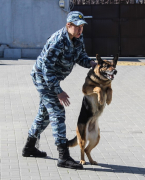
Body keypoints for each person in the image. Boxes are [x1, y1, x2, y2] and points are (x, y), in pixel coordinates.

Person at [22, 11, 96, 170]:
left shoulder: (77, 38)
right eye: (77, 26)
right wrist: (58, 91)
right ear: (68, 25)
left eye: (82, 27)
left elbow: (80, 56)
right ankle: (63, 156)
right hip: (43, 78)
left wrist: (91, 64)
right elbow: (46, 69)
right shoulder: (57, 41)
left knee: (44, 114)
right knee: (57, 111)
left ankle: (29, 147)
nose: (80, 30)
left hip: (52, 78)